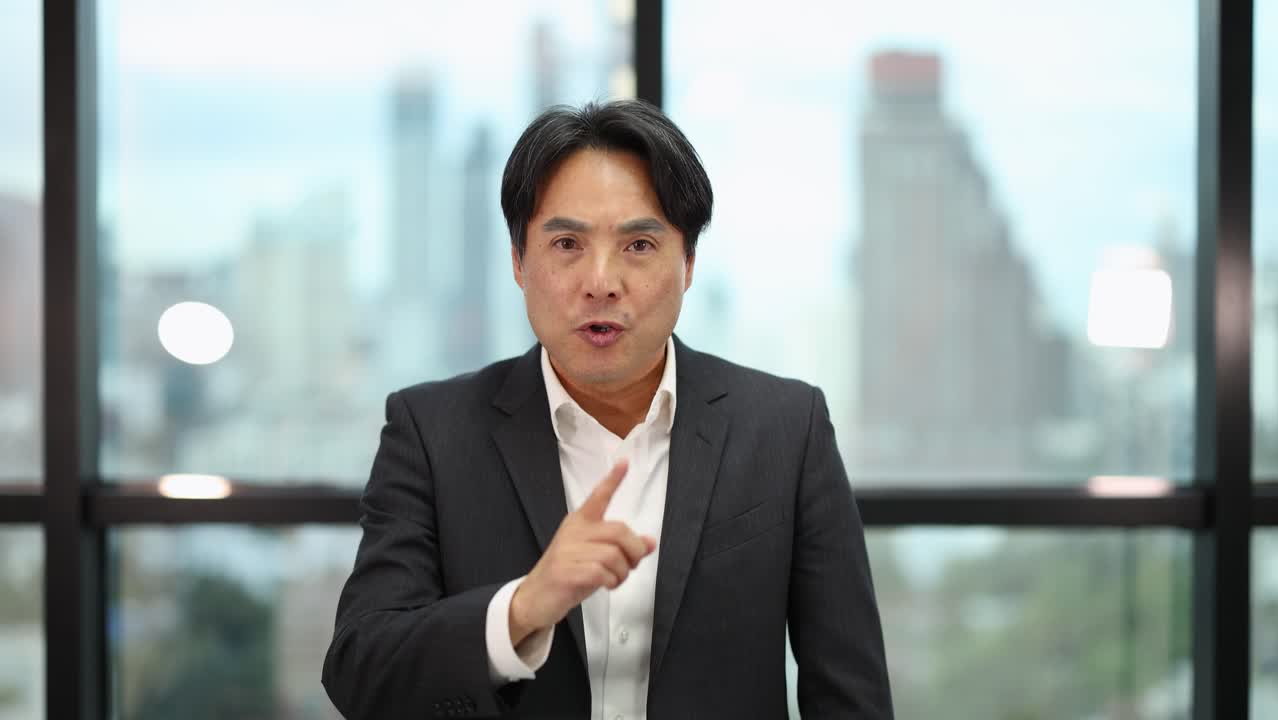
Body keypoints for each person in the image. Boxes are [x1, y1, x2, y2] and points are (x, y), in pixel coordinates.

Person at [322, 99, 894, 719]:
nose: (601, 281)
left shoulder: (786, 429)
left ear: (689, 263)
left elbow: (851, 696)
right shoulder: (432, 433)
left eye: (638, 244)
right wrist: (523, 609)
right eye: (567, 243)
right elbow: (360, 670)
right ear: (518, 261)